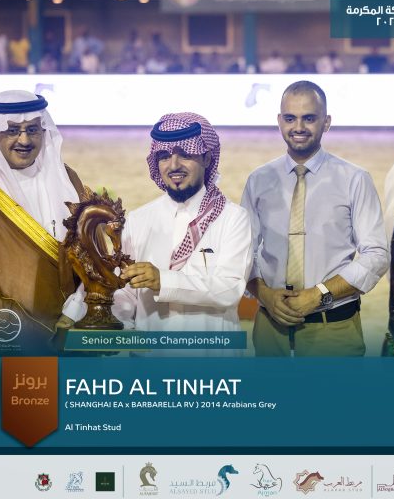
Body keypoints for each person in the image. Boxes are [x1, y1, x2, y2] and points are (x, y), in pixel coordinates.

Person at [63, 112, 252, 355]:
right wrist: (104, 324)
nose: (173, 166)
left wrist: (163, 281)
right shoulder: (139, 220)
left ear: (206, 157)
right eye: (164, 157)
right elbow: (125, 293)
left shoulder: (232, 218)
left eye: (185, 154)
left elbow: (229, 289)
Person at [241, 81, 389, 357]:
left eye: (309, 118)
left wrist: (319, 294)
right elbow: (243, 252)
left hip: (332, 331)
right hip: (270, 329)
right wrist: (264, 294)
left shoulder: (355, 179)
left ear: (326, 122)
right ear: (279, 121)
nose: (298, 127)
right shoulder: (258, 180)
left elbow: (377, 255)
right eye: (290, 118)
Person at [0, 90, 84, 353]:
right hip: (13, 343)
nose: (24, 140)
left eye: (33, 130)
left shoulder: (68, 180)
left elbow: (93, 258)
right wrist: (38, 336)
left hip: (75, 332)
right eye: (13, 130)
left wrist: (74, 314)